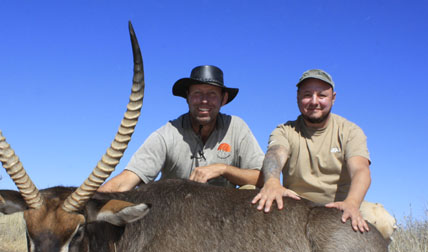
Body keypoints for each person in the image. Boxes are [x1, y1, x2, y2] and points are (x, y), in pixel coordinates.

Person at [252, 69, 383, 234]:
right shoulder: (284, 131)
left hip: (341, 207)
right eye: (307, 95)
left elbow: (360, 170)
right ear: (298, 97)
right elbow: (275, 154)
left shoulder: (350, 131)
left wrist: (352, 202)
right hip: (296, 208)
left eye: (322, 95)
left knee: (383, 221)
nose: (314, 101)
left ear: (333, 98)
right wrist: (272, 182)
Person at [99, 65, 264, 192]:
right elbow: (128, 179)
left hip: (224, 223)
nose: (204, 101)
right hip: (176, 222)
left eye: (212, 94)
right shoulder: (167, 134)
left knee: (250, 191)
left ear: (224, 99)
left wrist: (223, 169)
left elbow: (263, 179)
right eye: (197, 93)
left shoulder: (237, 127)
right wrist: (89, 202)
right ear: (188, 97)